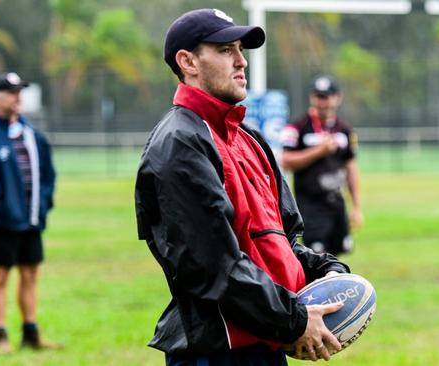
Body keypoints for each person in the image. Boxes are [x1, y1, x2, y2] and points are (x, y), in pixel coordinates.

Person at [135, 9, 351, 365]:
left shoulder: (248, 138)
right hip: (218, 351)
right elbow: (212, 266)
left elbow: (278, 242)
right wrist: (295, 320)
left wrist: (326, 270)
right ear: (187, 62)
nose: (241, 61)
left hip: (267, 341)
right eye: (224, 50)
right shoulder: (180, 143)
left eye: (240, 49)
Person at [0, 72, 58, 354]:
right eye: (11, 91)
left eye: (20, 91)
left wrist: (43, 204)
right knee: (0, 277)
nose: (18, 96)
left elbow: (47, 175)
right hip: (1, 223)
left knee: (30, 274)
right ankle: (0, 336)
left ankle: (31, 333)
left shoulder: (32, 134)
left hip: (31, 220)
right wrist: (2, 209)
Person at [281, 75, 363, 256]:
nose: (322, 102)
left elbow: (351, 167)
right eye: (318, 97)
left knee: (338, 256)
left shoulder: (345, 130)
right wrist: (319, 150)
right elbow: (286, 161)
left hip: (336, 205)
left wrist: (356, 206)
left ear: (337, 98)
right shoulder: (297, 127)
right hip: (310, 207)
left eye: (326, 97)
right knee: (318, 257)